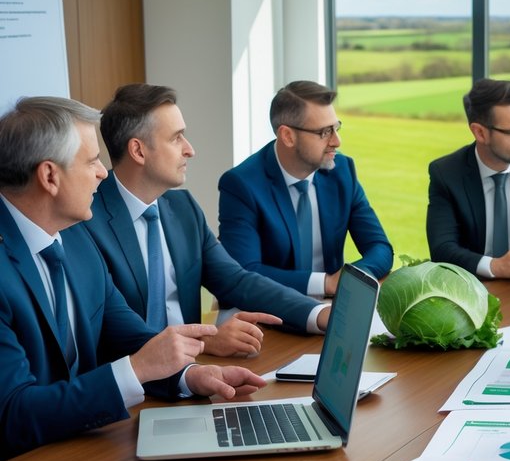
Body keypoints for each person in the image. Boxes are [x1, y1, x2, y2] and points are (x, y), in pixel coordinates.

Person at [0, 97, 265, 457]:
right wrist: (138, 369)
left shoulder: (76, 236)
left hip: (83, 447)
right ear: (50, 176)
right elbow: (13, 414)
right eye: (92, 161)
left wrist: (190, 376)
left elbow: (127, 336)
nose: (102, 173)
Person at [84, 84, 330, 358]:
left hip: (193, 374)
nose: (190, 150)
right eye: (177, 138)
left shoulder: (184, 207)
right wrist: (204, 343)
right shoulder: (86, 220)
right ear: (138, 151)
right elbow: (107, 331)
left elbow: (237, 281)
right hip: (133, 387)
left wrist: (318, 314)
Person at [218, 80, 393, 297]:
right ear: (288, 136)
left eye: (336, 128)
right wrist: (325, 283)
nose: (337, 141)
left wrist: (351, 278)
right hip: (272, 313)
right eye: (325, 132)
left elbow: (380, 247)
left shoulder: (342, 171)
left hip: (333, 308)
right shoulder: (241, 185)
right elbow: (244, 272)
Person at [426, 78, 510, 279]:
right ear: (480, 133)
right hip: (471, 288)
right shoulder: (446, 173)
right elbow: (442, 249)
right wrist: (495, 266)